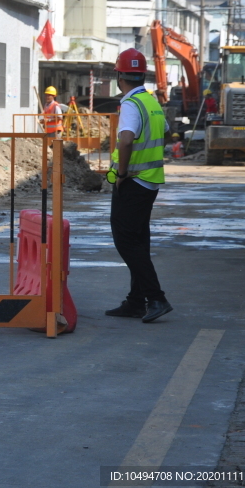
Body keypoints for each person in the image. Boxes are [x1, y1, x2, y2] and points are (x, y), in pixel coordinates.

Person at [105, 48, 172, 323]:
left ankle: (156, 298)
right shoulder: (151, 101)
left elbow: (127, 139)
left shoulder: (131, 104)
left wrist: (122, 173)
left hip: (133, 181)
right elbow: (166, 132)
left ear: (120, 76)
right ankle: (136, 301)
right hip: (150, 181)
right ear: (142, 75)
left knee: (125, 241)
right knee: (138, 240)